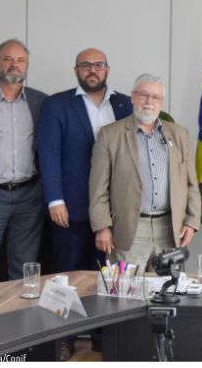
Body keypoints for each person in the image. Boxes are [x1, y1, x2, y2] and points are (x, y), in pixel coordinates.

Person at [89, 74, 200, 270]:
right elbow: (98, 187)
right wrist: (102, 227)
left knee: (167, 291)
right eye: (144, 95)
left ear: (161, 102)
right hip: (130, 229)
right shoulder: (109, 135)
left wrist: (192, 222)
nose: (149, 101)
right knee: (126, 292)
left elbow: (191, 184)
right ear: (133, 97)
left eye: (155, 97)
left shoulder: (179, 135)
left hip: (169, 228)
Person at [38, 48, 132, 273]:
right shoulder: (56, 105)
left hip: (115, 209)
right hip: (71, 208)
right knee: (69, 274)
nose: (93, 70)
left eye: (98, 65)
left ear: (107, 70)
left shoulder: (127, 105)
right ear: (76, 70)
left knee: (111, 275)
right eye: (85, 65)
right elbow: (48, 155)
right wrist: (55, 200)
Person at [0, 39, 48, 284]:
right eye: (8, 59)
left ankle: (22, 316)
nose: (14, 65)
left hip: (29, 195)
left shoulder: (42, 102)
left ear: (27, 66)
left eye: (20, 60)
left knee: (24, 265)